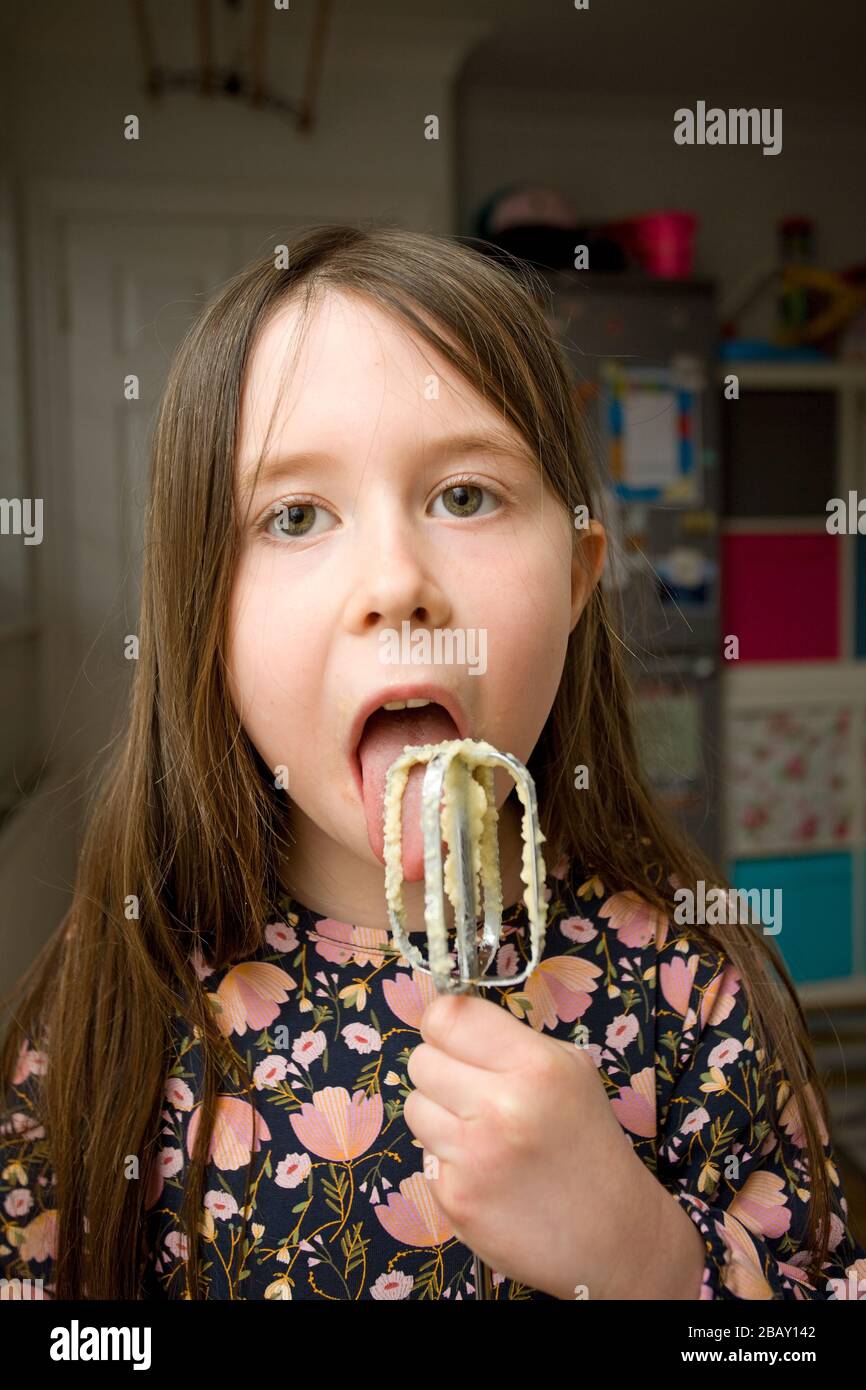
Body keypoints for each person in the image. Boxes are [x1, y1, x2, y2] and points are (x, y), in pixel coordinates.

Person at [1, 224, 864, 1301]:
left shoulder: (690, 984)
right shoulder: (119, 993)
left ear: (576, 574)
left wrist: (649, 1261)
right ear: (200, 619)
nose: (395, 580)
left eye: (464, 495)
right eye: (296, 514)